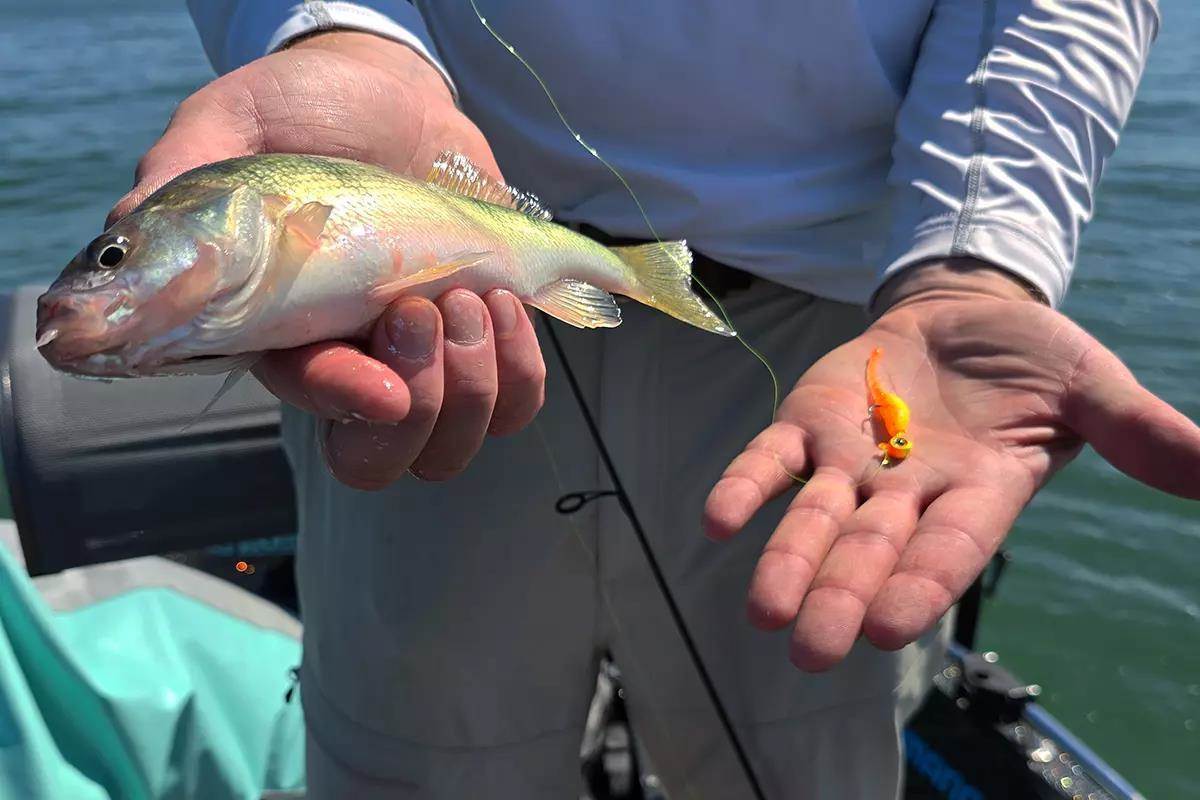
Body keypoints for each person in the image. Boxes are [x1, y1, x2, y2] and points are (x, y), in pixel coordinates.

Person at [109, 1, 1199, 797]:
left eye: (115, 259)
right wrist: (333, 30)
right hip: (420, 349)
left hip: (835, 332)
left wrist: (976, 254)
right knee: (420, 758)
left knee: (800, 757)